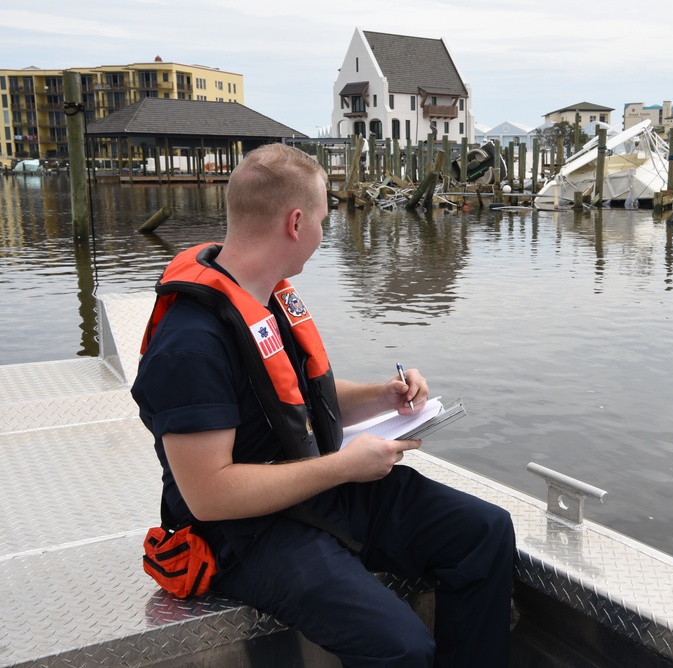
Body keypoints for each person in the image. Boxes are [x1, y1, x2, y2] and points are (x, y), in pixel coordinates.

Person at [131, 143, 515, 667]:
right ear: (295, 223)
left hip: (317, 489)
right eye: (322, 217)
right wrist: (343, 466)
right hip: (246, 533)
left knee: (485, 533)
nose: (324, 230)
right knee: (399, 648)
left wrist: (385, 395)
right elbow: (209, 496)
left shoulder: (267, 297)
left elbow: (303, 397)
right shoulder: (189, 344)